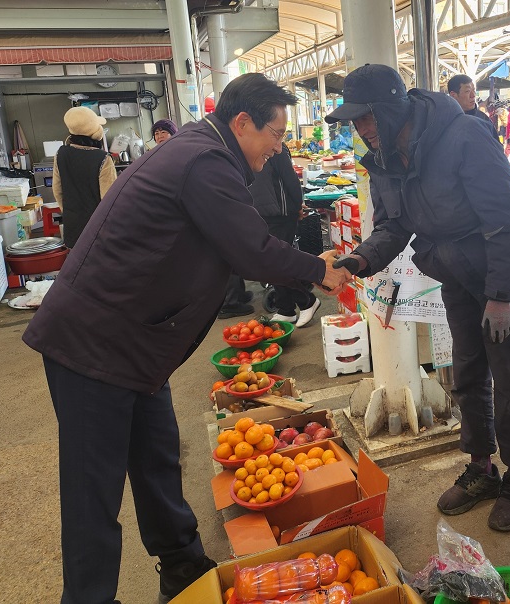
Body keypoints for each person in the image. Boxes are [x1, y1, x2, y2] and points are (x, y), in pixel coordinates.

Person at [22, 74, 351, 604]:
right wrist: (319, 269)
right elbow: (250, 249)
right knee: (93, 495)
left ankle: (181, 566)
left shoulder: (204, 152)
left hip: (135, 342)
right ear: (241, 123)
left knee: (156, 458)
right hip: (92, 344)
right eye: (275, 132)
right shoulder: (204, 162)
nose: (278, 145)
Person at [326, 64, 510, 532]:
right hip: (454, 275)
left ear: (389, 109)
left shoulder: (465, 136)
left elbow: (507, 221)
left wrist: (502, 296)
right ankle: (482, 467)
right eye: (354, 123)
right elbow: (392, 227)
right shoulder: (383, 160)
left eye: (365, 118)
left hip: (496, 274)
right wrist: (356, 262)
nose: (360, 130)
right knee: (466, 372)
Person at [221, 145, 322, 326]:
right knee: (268, 262)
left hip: (281, 213)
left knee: (276, 261)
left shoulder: (274, 146)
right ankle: (287, 308)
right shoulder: (241, 148)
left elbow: (290, 178)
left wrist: (298, 205)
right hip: (259, 212)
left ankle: (306, 301)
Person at [52, 106, 116, 248]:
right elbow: (110, 199)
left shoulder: (61, 154)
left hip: (72, 228)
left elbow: (57, 190)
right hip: (98, 229)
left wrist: (70, 212)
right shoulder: (103, 158)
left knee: (78, 266)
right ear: (96, 132)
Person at [447, 74, 499, 140]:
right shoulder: (445, 121)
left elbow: (495, 146)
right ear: (453, 95)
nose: (473, 95)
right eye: (467, 91)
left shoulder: (483, 119)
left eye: (474, 90)